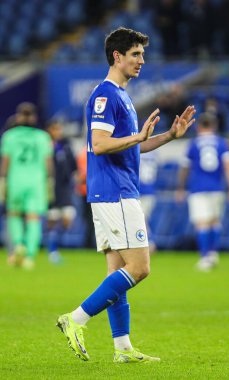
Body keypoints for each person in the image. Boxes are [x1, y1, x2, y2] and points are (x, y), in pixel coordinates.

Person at [56, 27, 196, 363]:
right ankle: (75, 319)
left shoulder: (123, 95)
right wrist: (135, 137)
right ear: (117, 56)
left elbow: (134, 146)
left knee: (116, 272)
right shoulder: (105, 95)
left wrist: (169, 136)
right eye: (135, 54)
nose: (141, 61)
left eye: (143, 55)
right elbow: (101, 145)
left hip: (115, 189)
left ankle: (122, 349)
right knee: (140, 267)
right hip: (115, 192)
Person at [176, 112, 229, 271]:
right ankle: (213, 253)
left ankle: (205, 257)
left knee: (202, 223)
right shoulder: (222, 143)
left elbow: (185, 168)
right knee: (215, 222)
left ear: (199, 127)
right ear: (214, 126)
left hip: (198, 188)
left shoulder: (193, 144)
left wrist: (180, 188)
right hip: (217, 188)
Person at [0, 103, 53, 269]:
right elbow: (48, 163)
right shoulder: (42, 137)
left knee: (13, 215)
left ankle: (18, 245)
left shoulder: (9, 136)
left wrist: (2, 180)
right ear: (34, 117)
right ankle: (29, 256)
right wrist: (50, 182)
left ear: (18, 117)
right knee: (34, 218)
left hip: (15, 180)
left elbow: (5, 162)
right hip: (37, 182)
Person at [46, 120, 77, 264]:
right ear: (49, 130)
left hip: (65, 189)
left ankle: (54, 244)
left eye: (59, 129)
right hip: (50, 188)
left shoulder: (65, 147)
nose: (58, 132)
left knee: (67, 219)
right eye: (55, 129)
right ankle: (52, 251)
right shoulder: (45, 146)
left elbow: (73, 166)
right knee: (52, 219)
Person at [75, 147, 94, 248]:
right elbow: (83, 174)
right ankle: (89, 243)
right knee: (89, 219)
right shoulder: (84, 153)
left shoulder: (83, 153)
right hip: (88, 191)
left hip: (88, 190)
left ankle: (89, 242)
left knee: (89, 219)